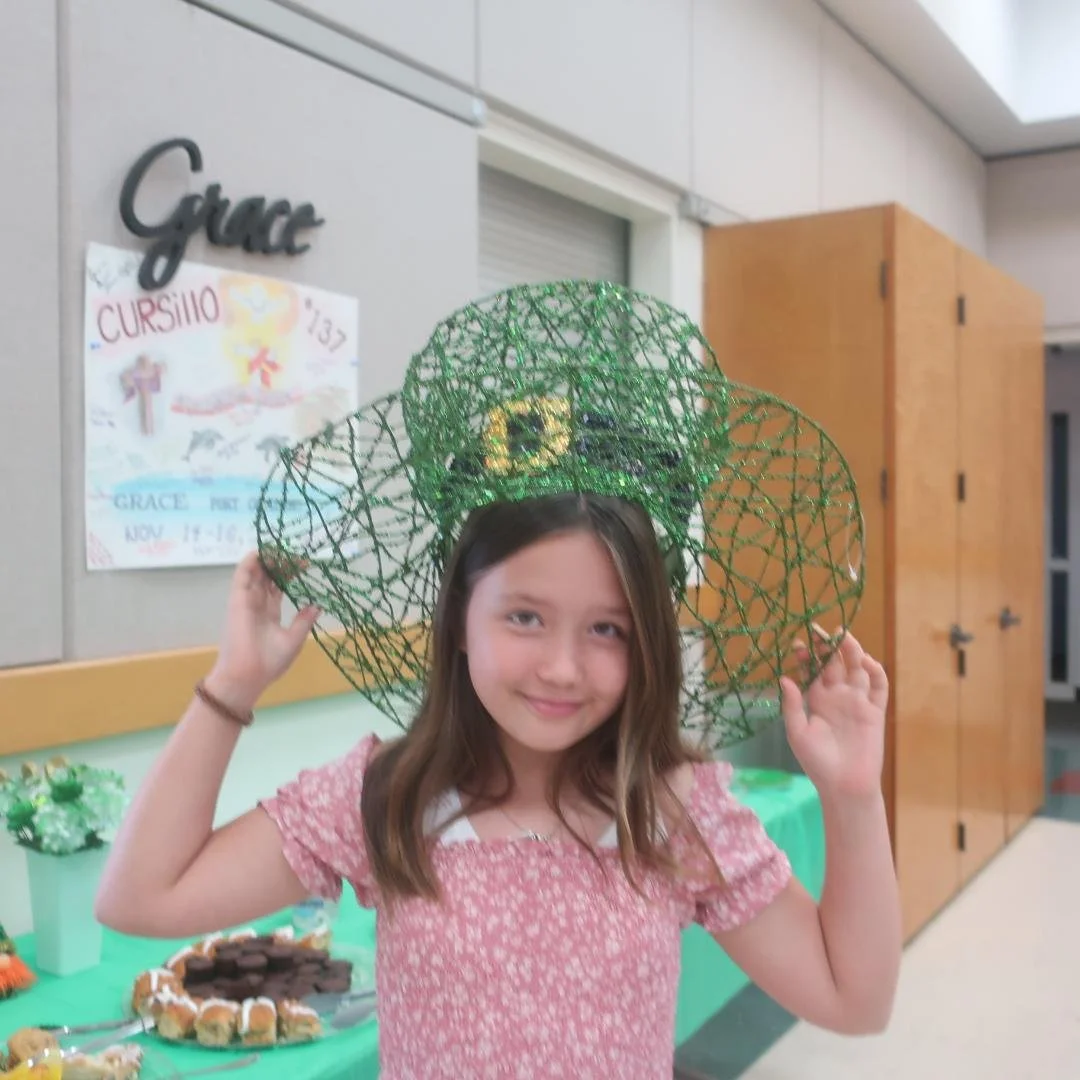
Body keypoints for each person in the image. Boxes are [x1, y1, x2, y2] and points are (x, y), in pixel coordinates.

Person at [96, 282, 901, 1078]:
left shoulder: (674, 810)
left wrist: (854, 797)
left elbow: (854, 1002)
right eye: (524, 617)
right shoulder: (385, 796)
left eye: (607, 629)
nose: (561, 666)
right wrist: (232, 686)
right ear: (459, 620)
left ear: (647, 643)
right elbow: (141, 899)